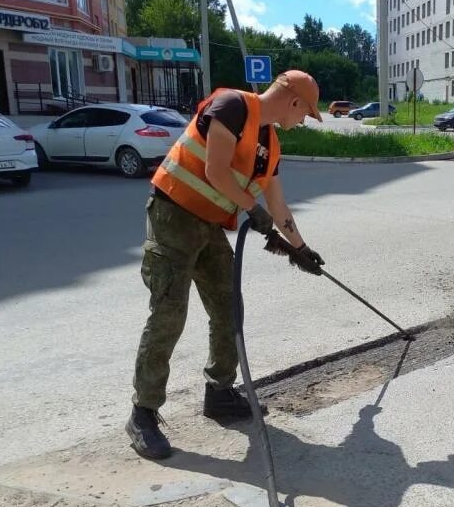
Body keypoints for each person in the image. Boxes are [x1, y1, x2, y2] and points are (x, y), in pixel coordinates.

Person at [126, 70, 325, 460]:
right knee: (169, 313)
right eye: (306, 114)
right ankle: (143, 414)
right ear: (295, 102)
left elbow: (279, 207)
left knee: (227, 306)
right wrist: (254, 210)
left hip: (207, 226)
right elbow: (216, 172)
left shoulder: (270, 144)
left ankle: (219, 392)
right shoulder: (232, 106)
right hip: (172, 216)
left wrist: (299, 248)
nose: (303, 121)